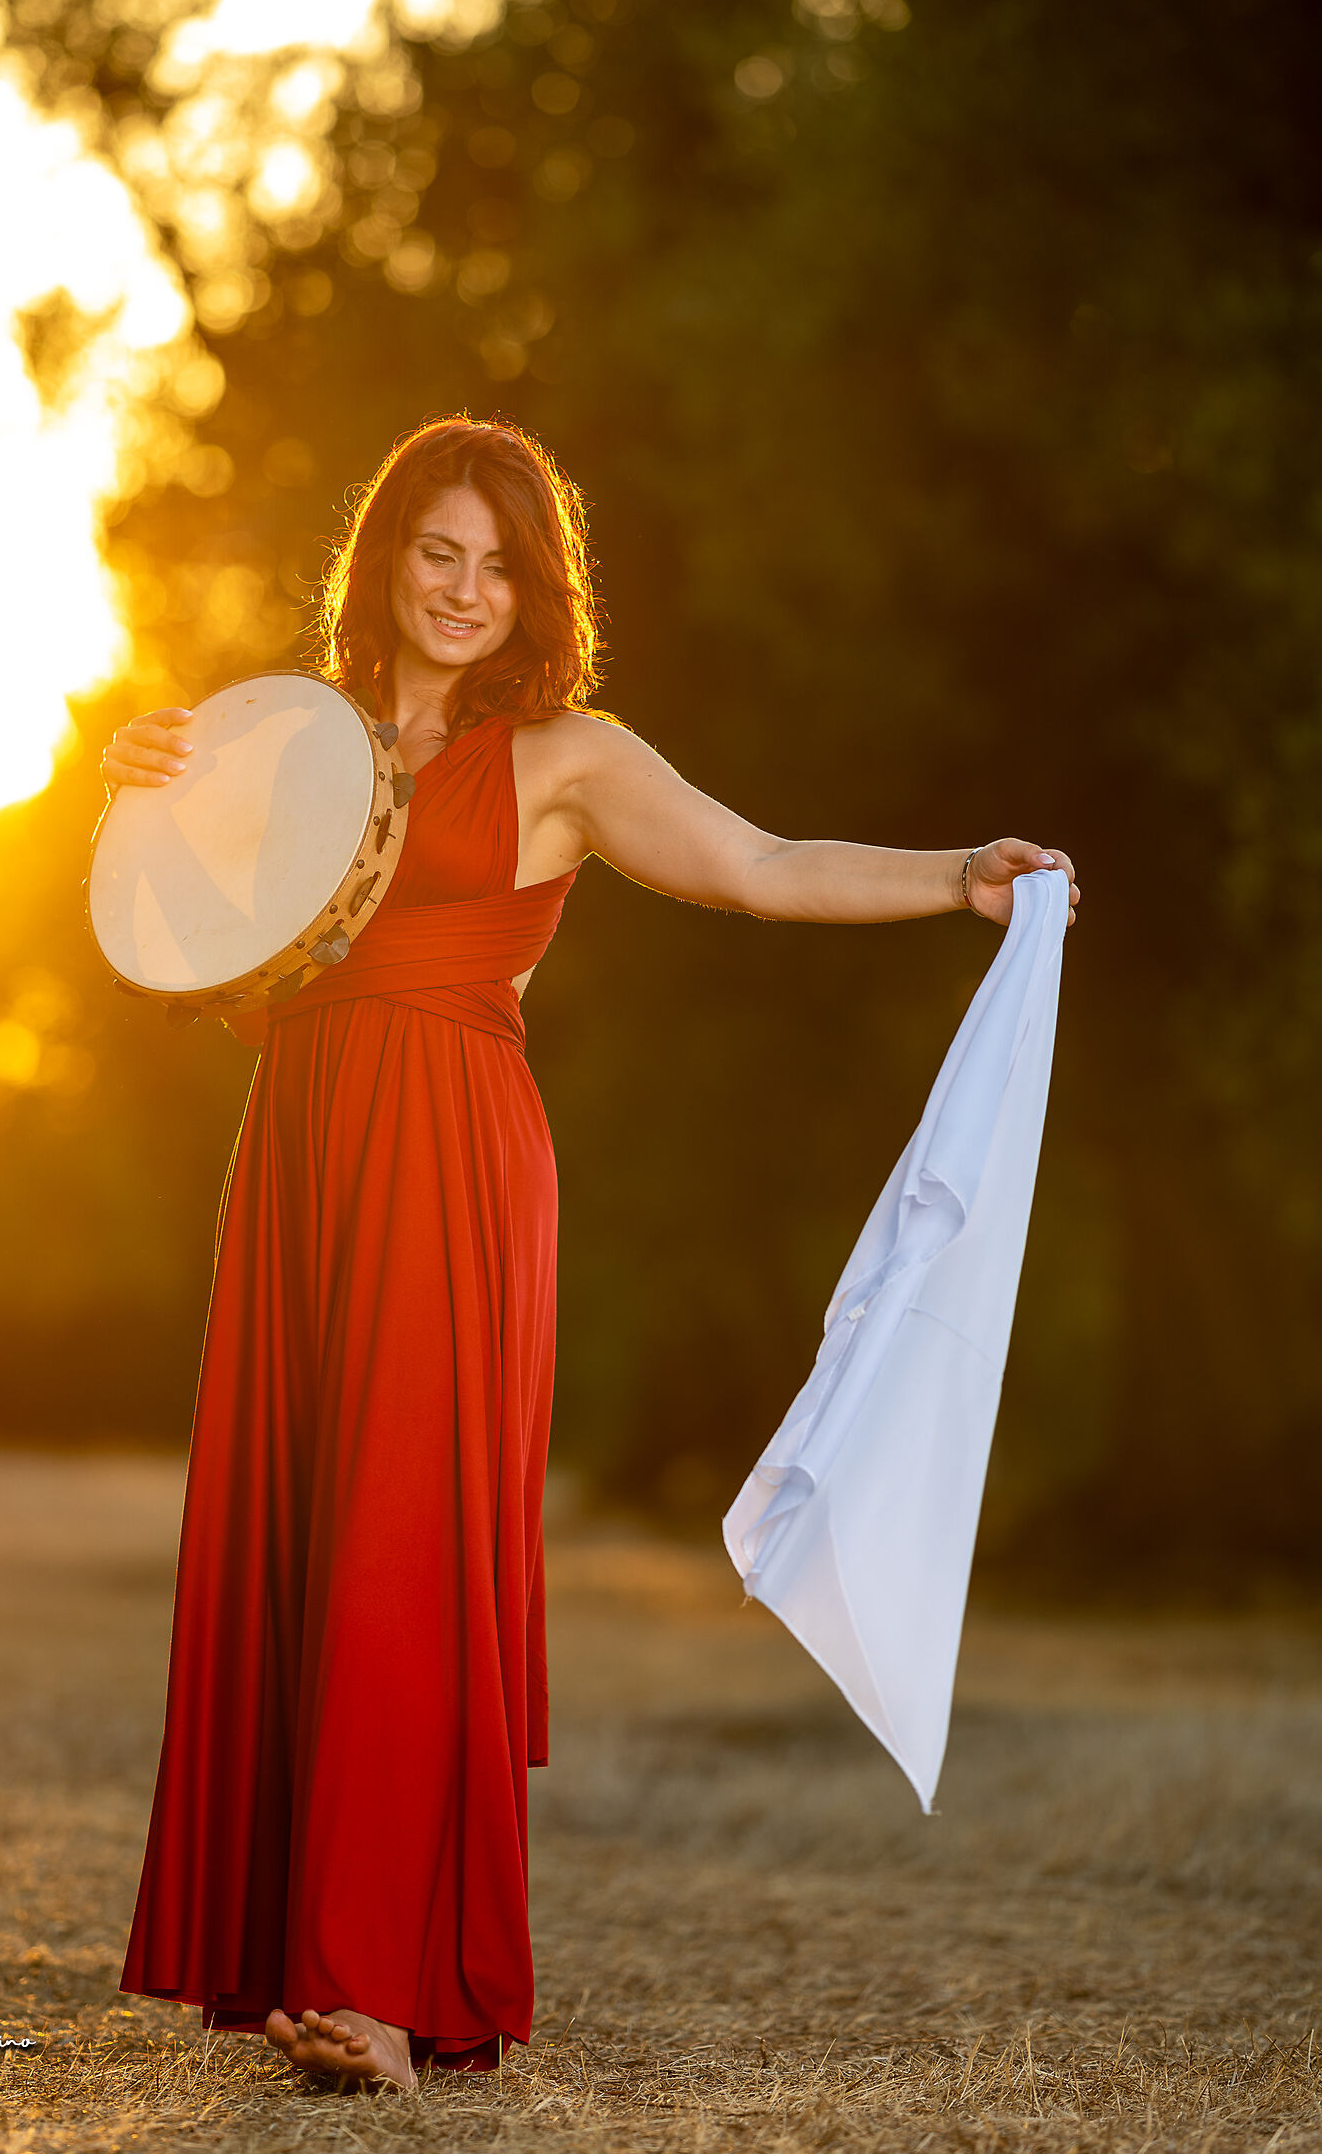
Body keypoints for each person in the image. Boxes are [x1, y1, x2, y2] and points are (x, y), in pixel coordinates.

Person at [105, 416, 1079, 2092]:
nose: (466, 590)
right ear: (386, 562)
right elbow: (208, 963)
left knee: (403, 1550)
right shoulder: (297, 738)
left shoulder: (570, 755)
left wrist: (954, 878)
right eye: (436, 552)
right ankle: (293, 1964)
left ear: (535, 586)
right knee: (306, 1534)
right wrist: (138, 802)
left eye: (500, 563)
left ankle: (385, 1999)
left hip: (452, 1162)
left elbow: (762, 868)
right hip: (300, 1155)